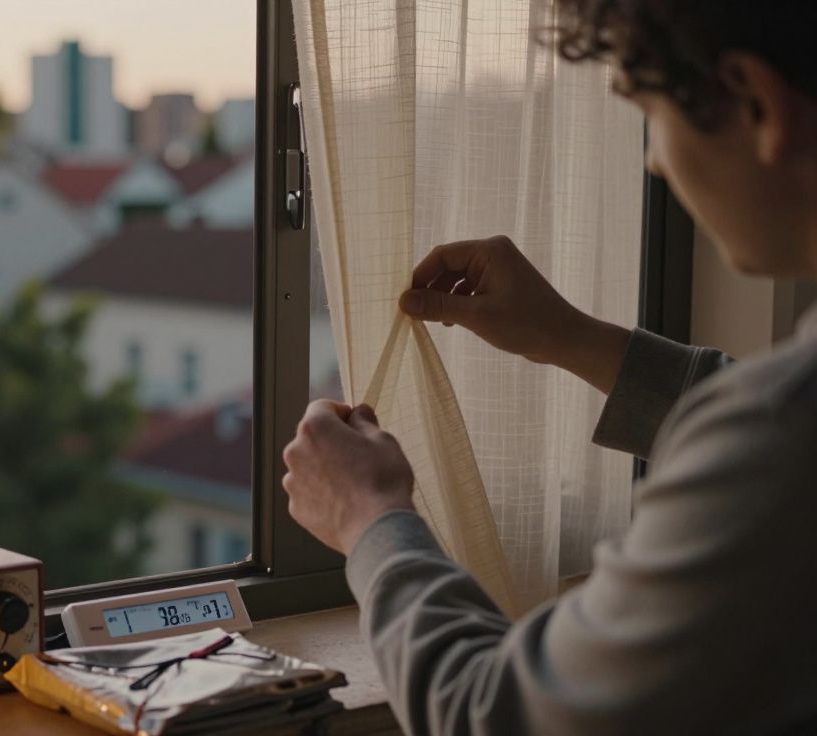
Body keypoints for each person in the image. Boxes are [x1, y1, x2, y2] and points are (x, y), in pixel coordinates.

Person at [279, 2, 817, 734]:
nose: (654, 160)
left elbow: (493, 714)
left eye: (649, 114)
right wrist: (569, 336)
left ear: (757, 104)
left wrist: (371, 518)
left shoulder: (777, 445)